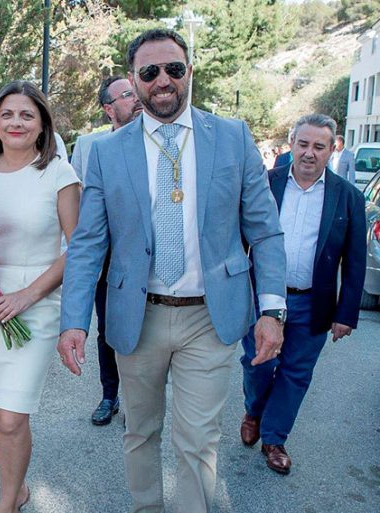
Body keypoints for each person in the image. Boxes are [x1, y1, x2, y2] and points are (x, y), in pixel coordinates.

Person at [58, 29, 286, 513]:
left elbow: (265, 231)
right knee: (140, 431)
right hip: (136, 315)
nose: (163, 80)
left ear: (189, 73)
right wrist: (74, 321)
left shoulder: (232, 137)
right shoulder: (105, 151)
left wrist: (273, 310)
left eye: (174, 69)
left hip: (210, 317)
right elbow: (87, 245)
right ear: (135, 82)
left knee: (198, 439)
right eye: (150, 72)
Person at [0, 80, 81, 513]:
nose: (16, 122)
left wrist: (28, 294)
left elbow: (78, 249)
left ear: (43, 124)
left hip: (36, 303)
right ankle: (18, 484)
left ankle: (8, 501)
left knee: (11, 415)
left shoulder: (59, 174)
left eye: (27, 114)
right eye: (7, 114)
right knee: (1, 407)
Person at [239, 114, 366, 475]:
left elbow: (354, 262)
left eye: (319, 147)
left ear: (332, 150)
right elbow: (241, 238)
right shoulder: (266, 184)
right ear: (292, 145)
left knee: (296, 373)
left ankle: (274, 438)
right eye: (303, 144)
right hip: (263, 300)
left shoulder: (348, 198)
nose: (309, 153)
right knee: (258, 364)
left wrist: (346, 314)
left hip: (313, 301)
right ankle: (254, 410)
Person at [70, 76, 142, 427]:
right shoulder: (89, 146)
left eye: (134, 91)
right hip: (107, 256)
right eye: (126, 95)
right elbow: (81, 205)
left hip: (144, 255)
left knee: (145, 330)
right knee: (109, 331)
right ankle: (109, 395)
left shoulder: (158, 141)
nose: (136, 98)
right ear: (108, 108)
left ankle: (137, 400)